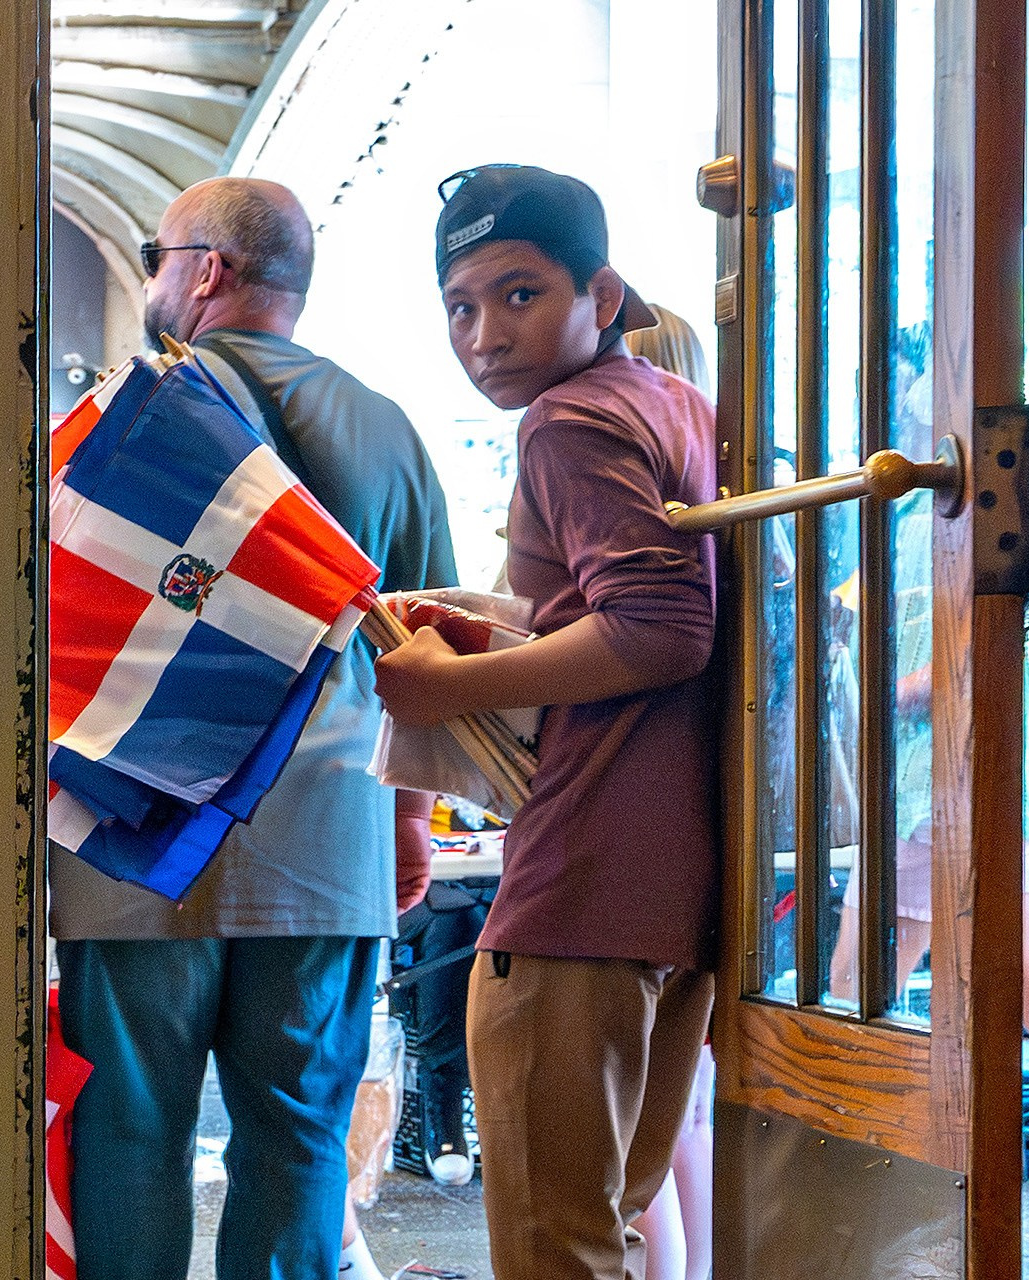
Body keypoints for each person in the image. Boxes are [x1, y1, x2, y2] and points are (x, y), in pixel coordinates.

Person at [51, 176, 457, 1280]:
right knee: (298, 1138)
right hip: (326, 833)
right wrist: (407, 824)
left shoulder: (121, 419)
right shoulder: (387, 429)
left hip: (133, 827)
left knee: (129, 1132)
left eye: (157, 255)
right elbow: (430, 660)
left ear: (208, 270)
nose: (153, 278)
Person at [375, 165, 720, 1280]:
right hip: (673, 885)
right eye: (460, 307)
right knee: (608, 1227)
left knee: (554, 1249)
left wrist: (445, 687)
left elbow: (663, 629)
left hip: (581, 874)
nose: (485, 336)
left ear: (600, 295)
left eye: (520, 294)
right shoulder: (673, 401)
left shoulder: (566, 420)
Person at [622, 306, 716, 1280]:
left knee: (638, 1131)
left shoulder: (639, 519)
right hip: (719, 839)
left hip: (634, 837)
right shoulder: (731, 506)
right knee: (685, 1107)